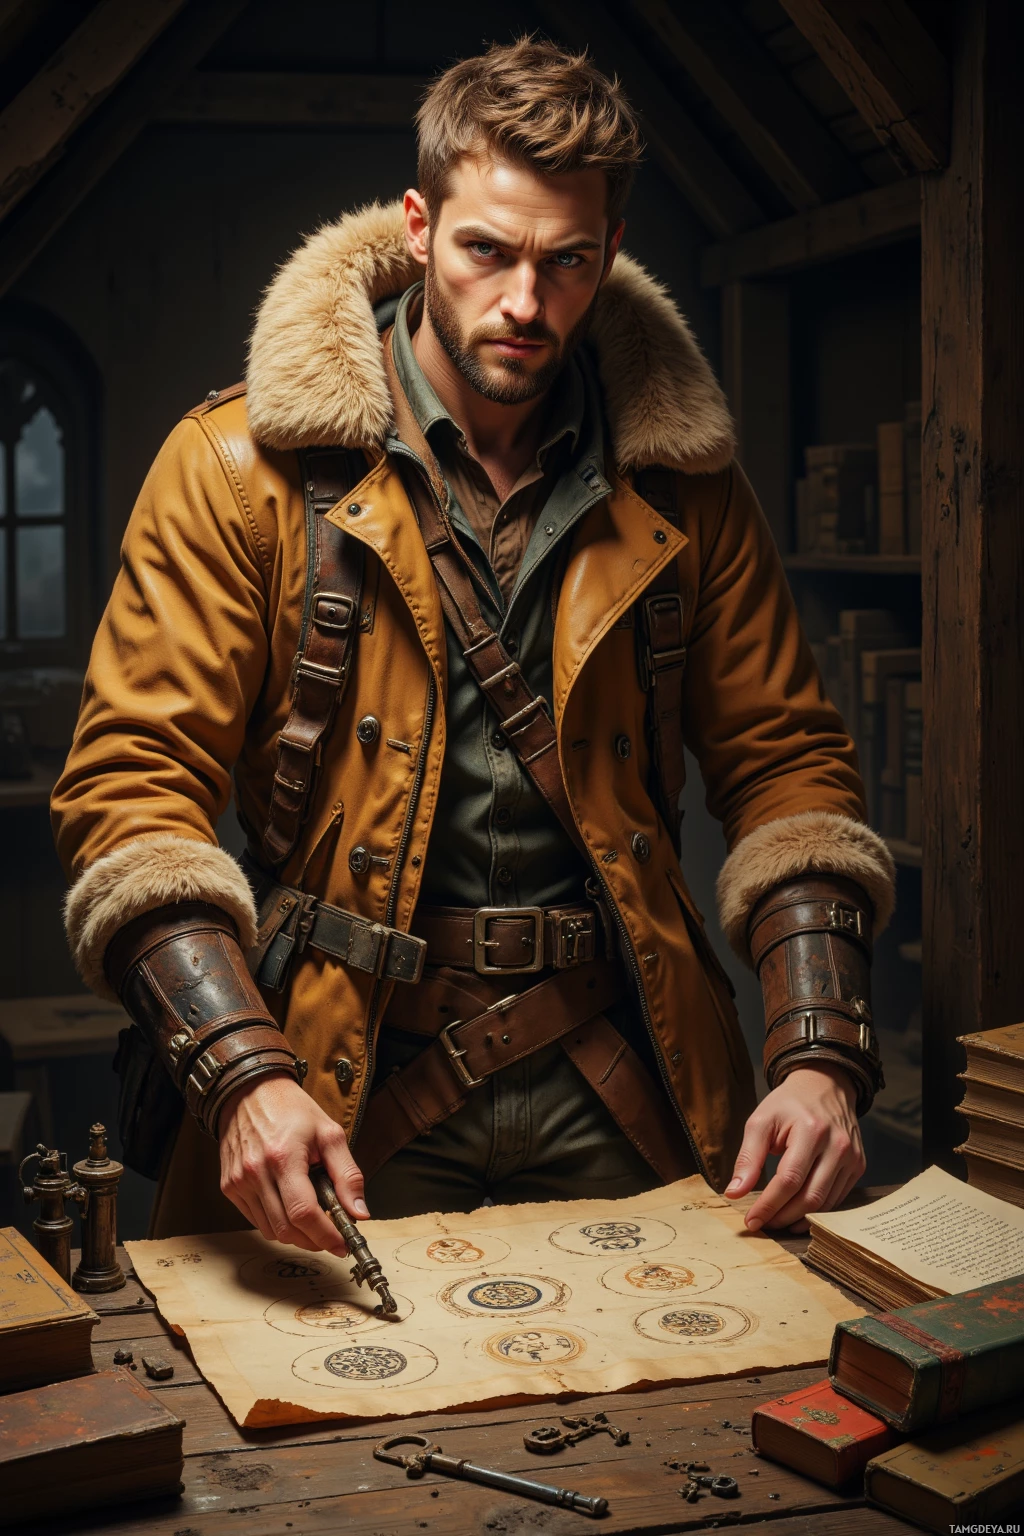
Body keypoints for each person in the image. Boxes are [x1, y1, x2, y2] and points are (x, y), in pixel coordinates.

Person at [51, 38, 893, 1258]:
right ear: (418, 227)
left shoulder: (685, 485)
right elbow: (132, 790)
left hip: (627, 1061)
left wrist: (820, 1056)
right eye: (487, 251)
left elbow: (789, 767)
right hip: (334, 1075)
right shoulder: (235, 471)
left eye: (566, 261)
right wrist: (240, 1070)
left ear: (609, 251)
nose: (524, 303)